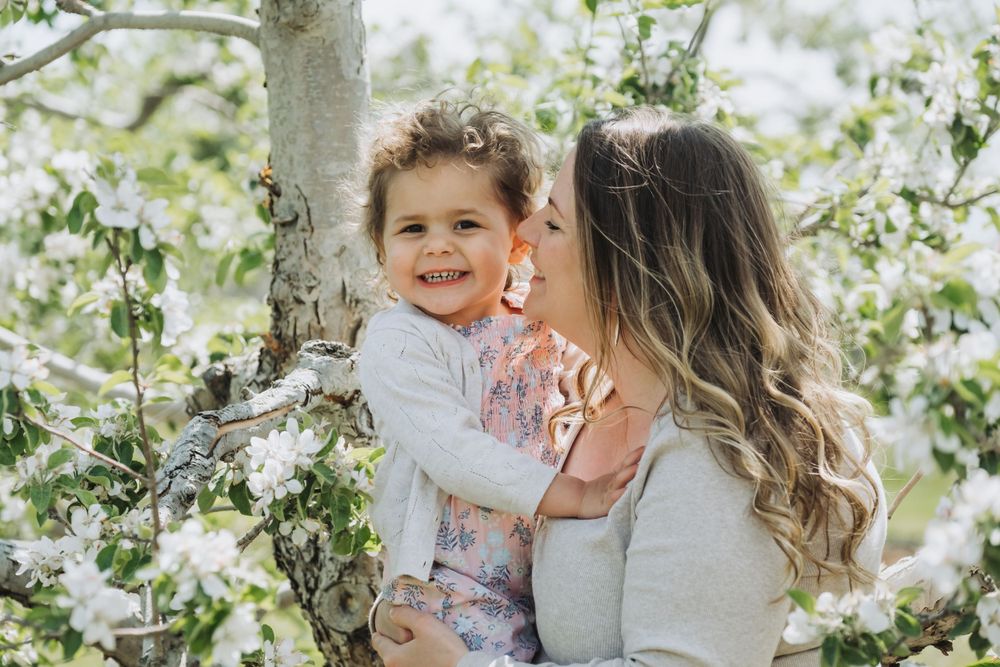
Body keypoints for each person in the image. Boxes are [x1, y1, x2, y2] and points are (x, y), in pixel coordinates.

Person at [370, 106, 888, 666]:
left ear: (627, 260)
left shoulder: (720, 448)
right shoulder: (580, 397)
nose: (524, 231)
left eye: (556, 220)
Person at [357, 101, 643, 661]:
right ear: (381, 248)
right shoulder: (401, 343)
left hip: (530, 577)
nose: (437, 244)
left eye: (465, 223)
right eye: (412, 228)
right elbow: (453, 452)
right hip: (448, 583)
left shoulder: (538, 325)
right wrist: (576, 495)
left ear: (518, 240)